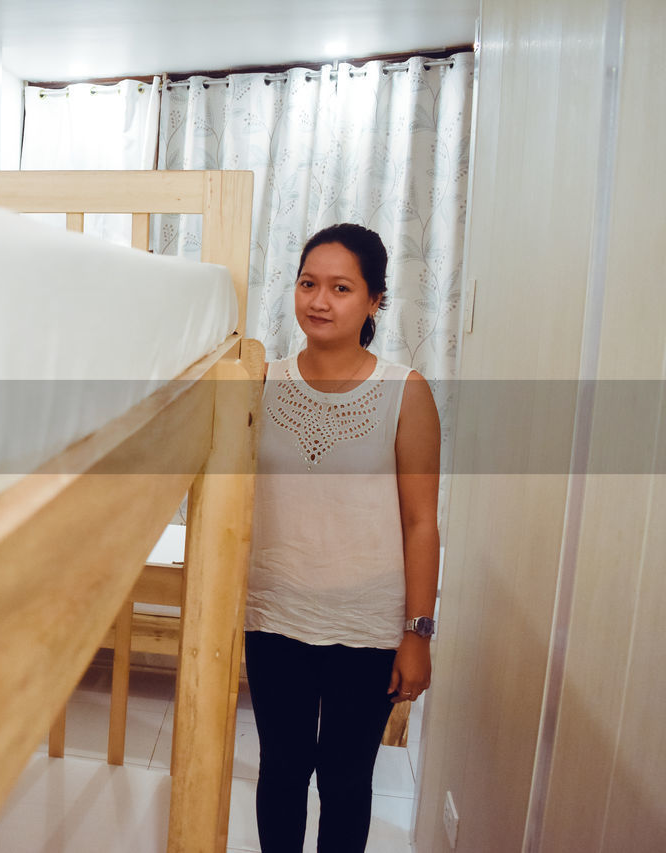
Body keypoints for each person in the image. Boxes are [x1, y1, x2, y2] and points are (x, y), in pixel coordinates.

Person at [244, 223, 441, 852]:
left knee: (346, 779)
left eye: (340, 287)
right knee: (280, 770)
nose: (319, 301)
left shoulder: (404, 392)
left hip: (368, 624)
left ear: (375, 301)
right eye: (308, 283)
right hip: (275, 615)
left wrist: (417, 633)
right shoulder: (260, 382)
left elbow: (421, 522)